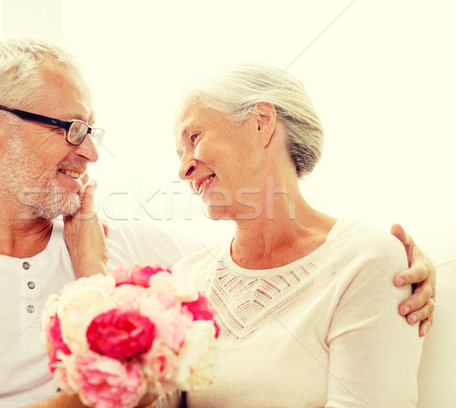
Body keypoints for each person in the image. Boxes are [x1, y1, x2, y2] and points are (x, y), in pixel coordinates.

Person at [0, 37, 433, 408]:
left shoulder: (146, 257)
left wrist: (402, 262)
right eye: (72, 129)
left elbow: (275, 257)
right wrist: (92, 367)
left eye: (92, 132)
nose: (91, 154)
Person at [164, 63, 429, 406]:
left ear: (261, 122)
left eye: (194, 138)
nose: (183, 169)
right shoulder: (185, 279)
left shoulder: (367, 259)